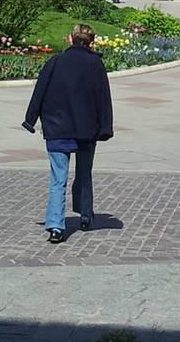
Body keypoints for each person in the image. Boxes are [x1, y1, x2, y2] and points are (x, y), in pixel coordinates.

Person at [22, 24, 114, 243]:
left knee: (58, 179)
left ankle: (55, 226)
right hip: (86, 130)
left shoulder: (55, 62)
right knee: (84, 173)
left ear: (70, 39)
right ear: (91, 43)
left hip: (56, 129)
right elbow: (103, 98)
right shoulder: (95, 64)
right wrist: (105, 128)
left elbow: (40, 91)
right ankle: (84, 214)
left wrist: (30, 119)